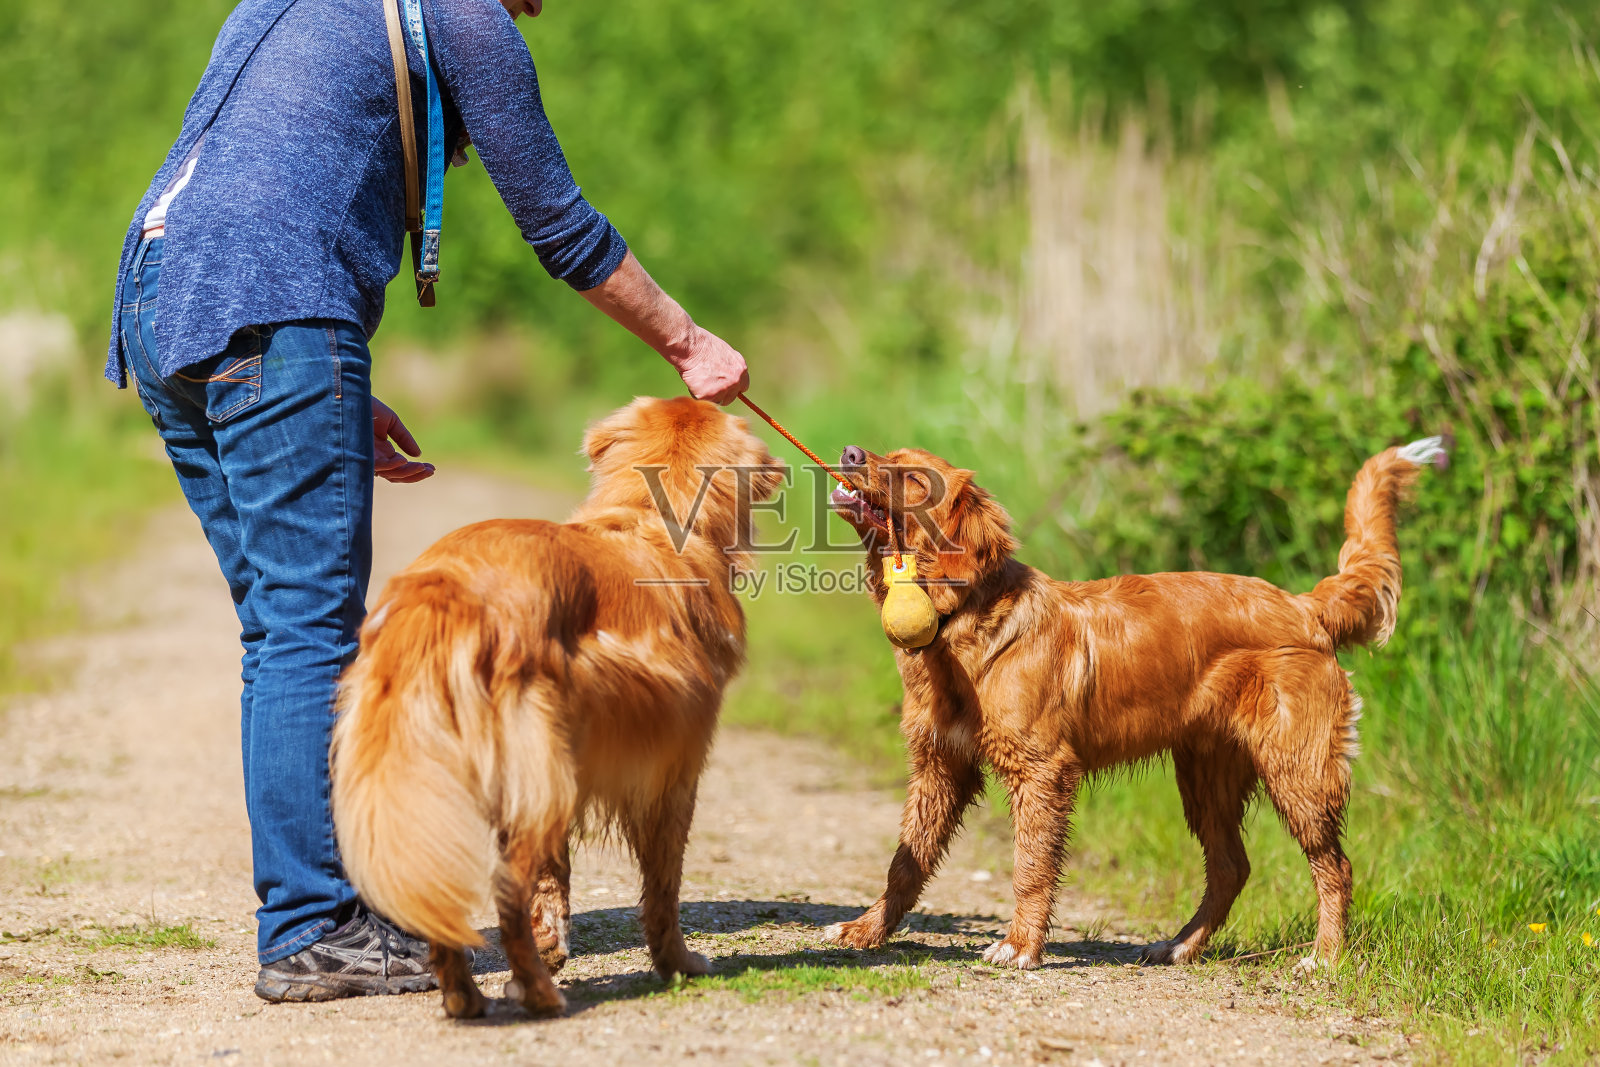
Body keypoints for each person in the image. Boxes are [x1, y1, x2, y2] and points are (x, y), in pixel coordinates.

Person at [107, 0, 749, 1003]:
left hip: (161, 304)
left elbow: (237, 163)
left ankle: (331, 908)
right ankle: (314, 927)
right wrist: (687, 343)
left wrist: (323, 377)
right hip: (273, 300)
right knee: (305, 632)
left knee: (279, 632)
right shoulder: (463, 13)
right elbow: (560, 224)